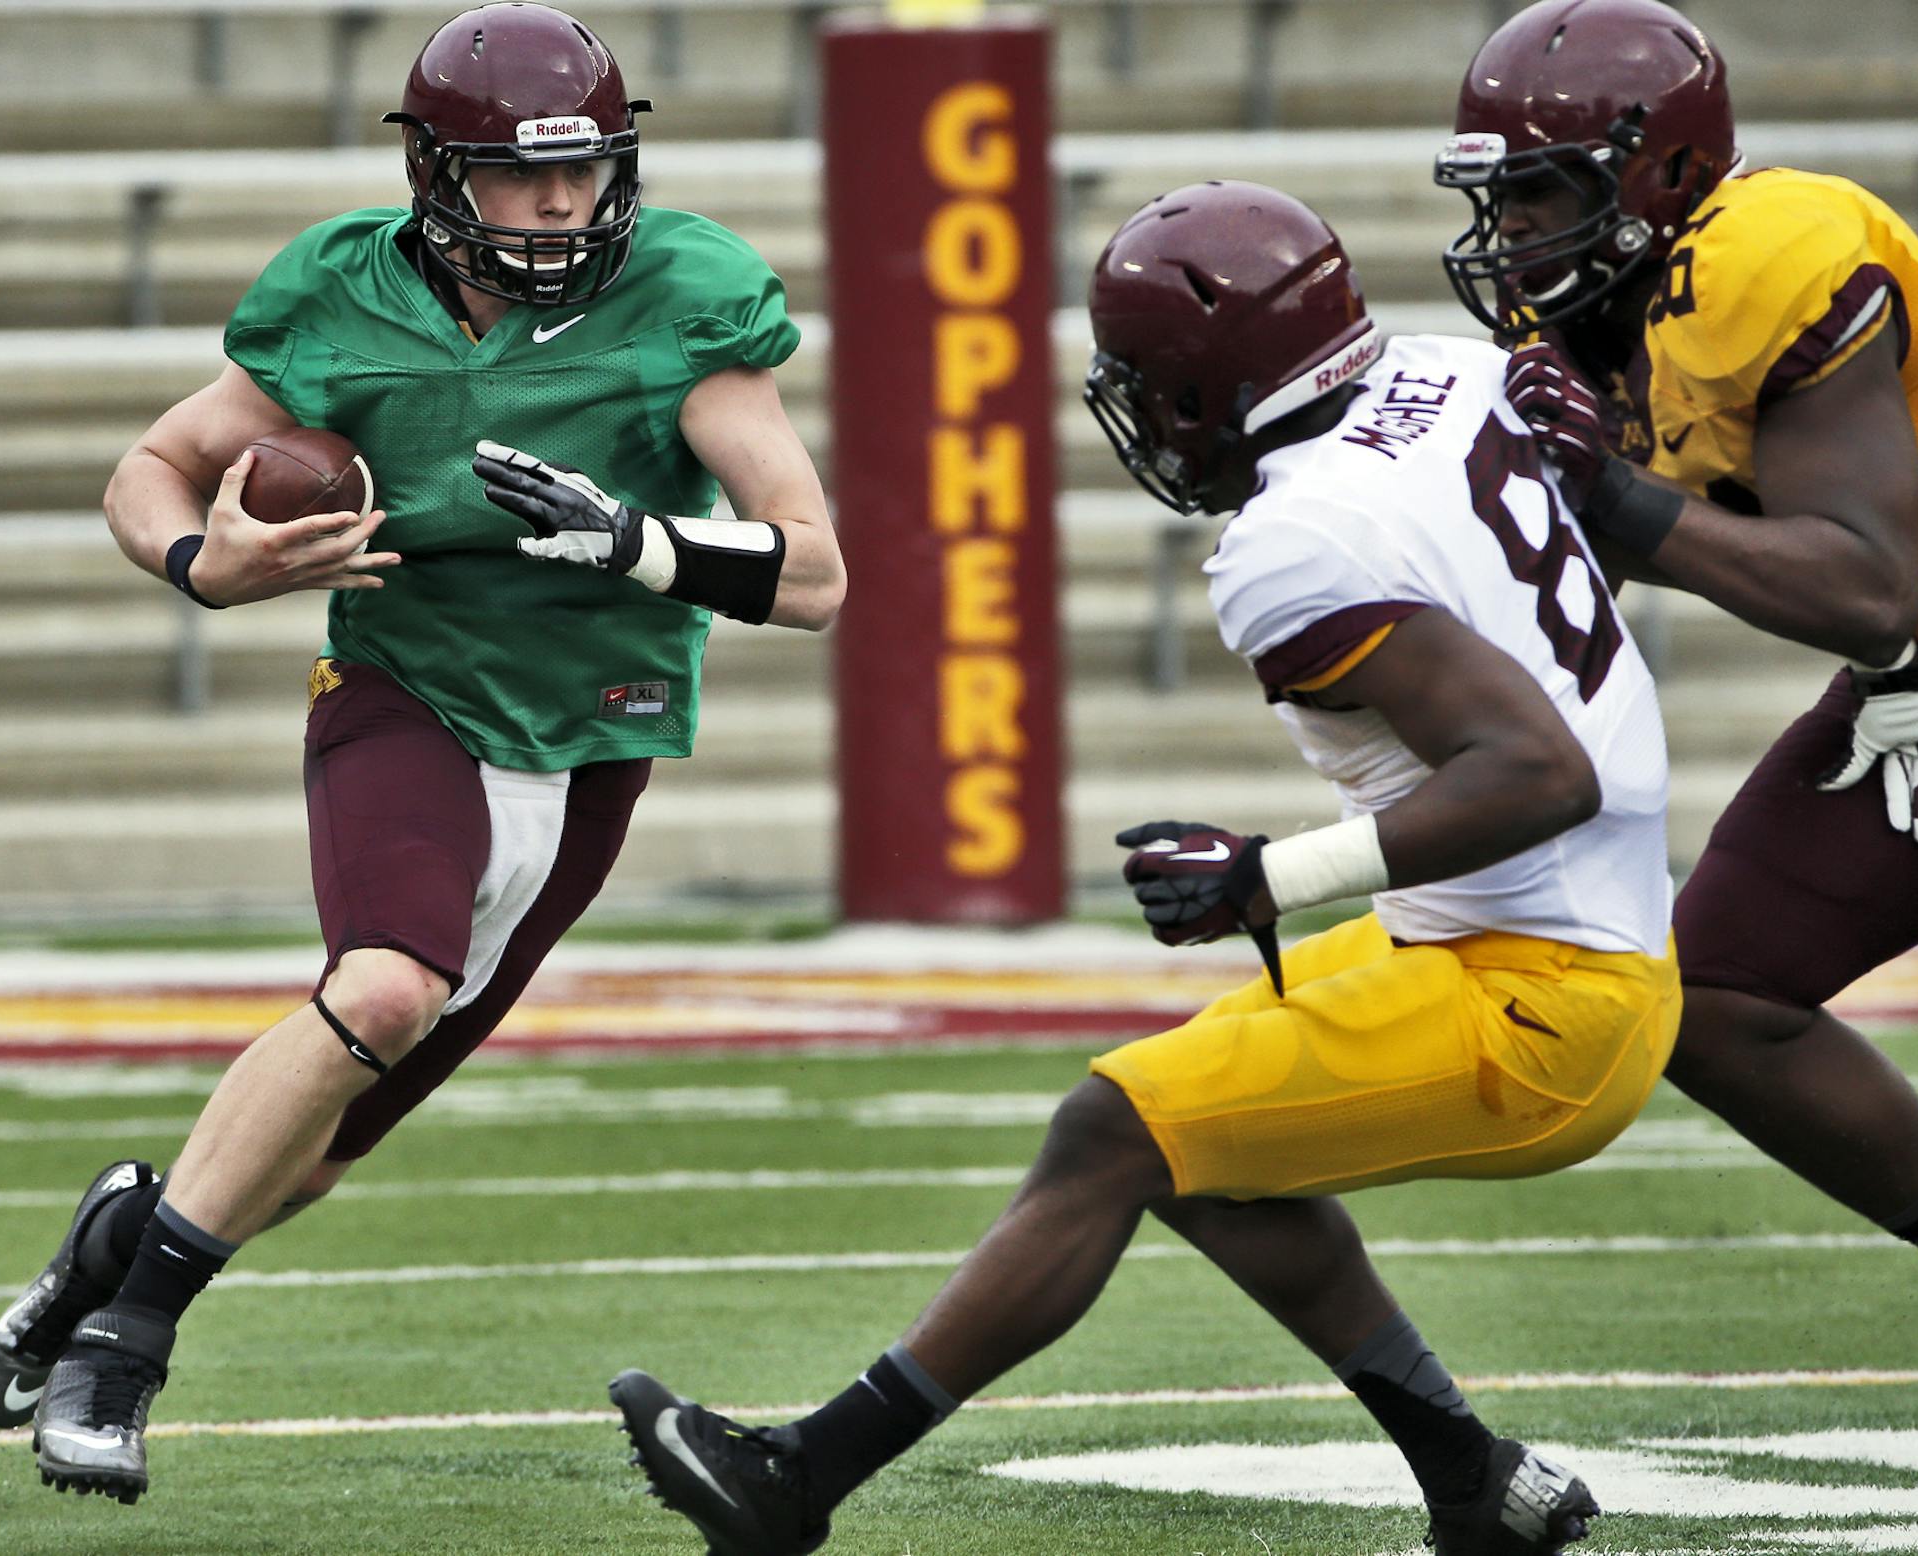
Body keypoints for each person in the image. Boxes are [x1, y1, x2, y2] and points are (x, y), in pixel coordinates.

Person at [611, 180, 1678, 1556]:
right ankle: (1477, 1483)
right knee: (1193, 1146)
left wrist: (1267, 877)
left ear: (1210, 382)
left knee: (1116, 1131)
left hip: (1544, 995)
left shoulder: (1294, 538)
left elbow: (1540, 771)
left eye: (1156, 386)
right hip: (1545, 931)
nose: (1151, 417)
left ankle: (798, 1480)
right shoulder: (1449, 373)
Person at [0, 2, 843, 1504]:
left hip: (588, 746)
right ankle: (123, 1353)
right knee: (380, 984)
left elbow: (815, 572)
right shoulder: (340, 289)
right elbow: (153, 463)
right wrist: (201, 562)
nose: (562, 203)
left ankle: (118, 1237)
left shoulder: (688, 290)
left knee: (308, 1158)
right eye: (520, 174)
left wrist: (634, 542)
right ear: (439, 175)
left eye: (583, 171)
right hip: (402, 689)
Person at [1433, 0, 1918, 1537]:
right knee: (1723, 994)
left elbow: (1861, 584)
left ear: (1664, 171)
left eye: (1544, 190)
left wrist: (1610, 501)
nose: (1516, 228)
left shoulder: (1778, 254)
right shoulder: (1579, 319)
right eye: (1502, 194)